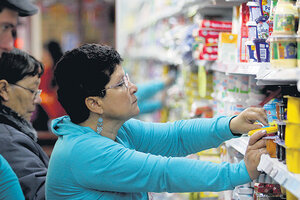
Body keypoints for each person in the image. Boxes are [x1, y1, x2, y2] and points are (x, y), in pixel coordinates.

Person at [46, 43, 268, 199]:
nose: (133, 87)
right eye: (120, 84)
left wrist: (231, 125)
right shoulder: (86, 152)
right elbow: (163, 173)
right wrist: (239, 172)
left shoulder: (116, 130)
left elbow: (176, 137)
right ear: (95, 104)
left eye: (127, 79)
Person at [0, 49, 49, 200]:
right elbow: (42, 194)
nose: (37, 99)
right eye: (32, 91)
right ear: (4, 89)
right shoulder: (8, 140)